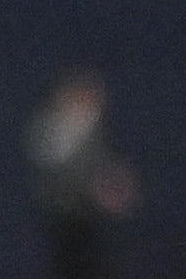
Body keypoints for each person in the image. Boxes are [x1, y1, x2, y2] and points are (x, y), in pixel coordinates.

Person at [26, 66, 131, 279]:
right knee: (71, 261)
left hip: (89, 216)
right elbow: (53, 160)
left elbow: (100, 168)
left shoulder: (93, 130)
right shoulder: (59, 127)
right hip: (66, 214)